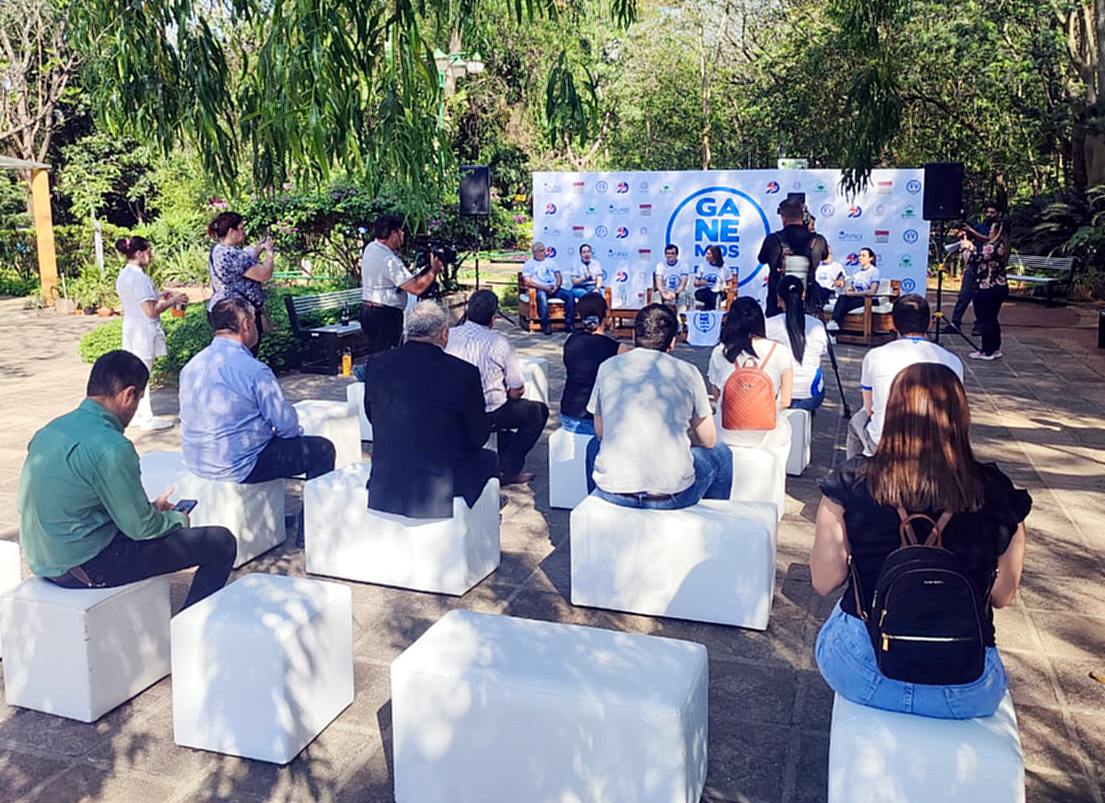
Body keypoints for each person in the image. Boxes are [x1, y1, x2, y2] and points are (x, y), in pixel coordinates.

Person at [811, 362, 1030, 719]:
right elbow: (1002, 596)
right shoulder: (996, 491)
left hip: (865, 673)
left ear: (893, 412)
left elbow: (824, 581)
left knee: (847, 611)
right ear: (960, 415)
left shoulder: (850, 482)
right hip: (965, 689)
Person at [17, 351, 236, 609]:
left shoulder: (50, 430)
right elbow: (140, 529)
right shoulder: (113, 447)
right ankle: (187, 629)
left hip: (41, 558)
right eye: (138, 400)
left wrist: (148, 512)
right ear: (128, 394)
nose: (135, 410)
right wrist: (175, 519)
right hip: (86, 566)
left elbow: (25, 503)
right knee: (220, 543)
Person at [585, 304, 732, 509]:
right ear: (672, 342)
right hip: (672, 493)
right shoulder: (689, 372)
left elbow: (601, 432)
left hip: (614, 492)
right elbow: (709, 440)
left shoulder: (608, 367)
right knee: (721, 454)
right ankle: (713, 523)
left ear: (635, 335)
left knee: (593, 445)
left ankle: (598, 512)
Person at [362, 302, 498, 518]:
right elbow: (477, 436)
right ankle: (483, 522)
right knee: (489, 459)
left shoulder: (377, 363)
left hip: (388, 474)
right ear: (444, 334)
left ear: (407, 331)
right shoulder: (463, 372)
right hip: (440, 480)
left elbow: (372, 414)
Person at [179, 297, 336, 484]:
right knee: (322, 450)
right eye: (255, 320)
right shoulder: (254, 370)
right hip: (239, 465)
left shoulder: (192, 365)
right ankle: (310, 514)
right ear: (246, 324)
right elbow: (287, 428)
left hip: (196, 461)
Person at [446, 290, 549, 485]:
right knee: (537, 412)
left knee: (508, 411)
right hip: (491, 411)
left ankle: (503, 458)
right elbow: (517, 388)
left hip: (454, 408)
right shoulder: (499, 343)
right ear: (493, 318)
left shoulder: (448, 335)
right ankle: (510, 467)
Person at [846, 294, 963, 458]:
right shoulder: (953, 360)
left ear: (893, 323)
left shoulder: (875, 356)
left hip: (885, 442)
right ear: (929, 323)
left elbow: (870, 408)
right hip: (938, 443)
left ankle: (854, 477)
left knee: (855, 423)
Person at [114, 236, 188, 431]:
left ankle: (138, 413)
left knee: (135, 373)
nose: (150, 256)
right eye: (148, 251)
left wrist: (159, 297)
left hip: (131, 326)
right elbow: (150, 311)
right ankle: (146, 416)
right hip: (143, 330)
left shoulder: (124, 275)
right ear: (139, 253)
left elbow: (141, 302)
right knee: (143, 374)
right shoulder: (141, 278)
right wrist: (173, 301)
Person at [707, 296, 794, 446]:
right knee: (786, 428)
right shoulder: (780, 351)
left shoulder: (720, 351)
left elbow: (717, 395)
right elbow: (785, 401)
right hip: (767, 434)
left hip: (725, 431)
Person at [359, 213, 443, 354]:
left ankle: (373, 375)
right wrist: (434, 270)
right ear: (394, 233)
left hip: (369, 311)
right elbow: (416, 288)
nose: (403, 235)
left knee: (376, 356)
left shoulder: (371, 248)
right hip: (385, 315)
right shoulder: (388, 260)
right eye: (401, 231)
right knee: (387, 357)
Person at [206, 211, 274, 355]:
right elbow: (264, 274)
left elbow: (243, 267)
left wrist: (257, 250)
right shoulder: (232, 254)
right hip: (238, 312)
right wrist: (269, 253)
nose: (244, 232)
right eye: (241, 228)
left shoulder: (219, 250)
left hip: (222, 307)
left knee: (230, 353)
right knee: (244, 353)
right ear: (232, 231)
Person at [560, 292, 627, 436]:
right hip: (597, 417)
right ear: (606, 314)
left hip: (568, 412)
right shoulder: (617, 348)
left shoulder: (571, 340)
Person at [766, 276, 828, 411]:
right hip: (811, 395)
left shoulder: (769, 325)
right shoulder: (817, 325)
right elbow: (820, 357)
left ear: (779, 299)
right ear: (803, 295)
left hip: (777, 394)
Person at [758, 198, 824, 315]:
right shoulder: (817, 240)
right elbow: (825, 255)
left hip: (777, 302)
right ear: (803, 216)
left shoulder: (773, 240)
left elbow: (762, 259)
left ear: (783, 217)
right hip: (807, 301)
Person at [966, 205, 1010, 360]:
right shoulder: (1001, 246)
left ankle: (987, 350)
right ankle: (995, 348)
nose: (988, 232)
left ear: (996, 232)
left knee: (985, 319)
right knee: (992, 318)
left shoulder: (992, 247)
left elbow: (972, 259)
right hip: (997, 287)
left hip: (987, 287)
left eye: (991, 230)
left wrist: (966, 247)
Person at [950, 203, 1001, 335]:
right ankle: (955, 322)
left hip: (987, 271)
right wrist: (963, 234)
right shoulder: (981, 226)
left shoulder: (999, 229)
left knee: (981, 299)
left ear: (998, 214)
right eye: (988, 212)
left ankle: (980, 325)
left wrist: (971, 234)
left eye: (992, 212)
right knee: (964, 295)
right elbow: (971, 238)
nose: (989, 215)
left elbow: (989, 240)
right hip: (974, 266)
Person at [522, 241, 575, 335]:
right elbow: (528, 281)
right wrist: (543, 287)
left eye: (544, 250)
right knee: (542, 298)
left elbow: (558, 275)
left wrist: (557, 285)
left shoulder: (551, 262)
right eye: (542, 251)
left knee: (570, 295)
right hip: (540, 288)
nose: (544, 252)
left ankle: (569, 324)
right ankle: (545, 325)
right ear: (535, 252)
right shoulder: (529, 264)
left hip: (554, 288)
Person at [828, 247, 880, 331]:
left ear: (871, 258)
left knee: (844, 305)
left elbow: (872, 291)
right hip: (857, 297)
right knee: (842, 298)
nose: (860, 258)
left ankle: (835, 324)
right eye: (859, 255)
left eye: (863, 256)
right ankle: (835, 324)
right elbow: (853, 286)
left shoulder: (874, 271)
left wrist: (854, 294)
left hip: (869, 299)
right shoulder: (856, 271)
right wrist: (848, 289)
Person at [693, 245, 732, 311]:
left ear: (715, 255)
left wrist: (725, 288)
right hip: (705, 291)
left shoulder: (725, 267)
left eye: (709, 254)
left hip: (719, 292)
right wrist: (701, 282)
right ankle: (712, 311)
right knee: (704, 294)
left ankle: (708, 311)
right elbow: (695, 283)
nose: (706, 255)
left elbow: (730, 284)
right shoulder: (702, 266)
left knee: (716, 296)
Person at [654, 244, 690, 311]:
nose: (670, 256)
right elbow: (659, 282)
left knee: (682, 295)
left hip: (678, 291)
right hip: (665, 290)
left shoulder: (683, 265)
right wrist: (664, 293)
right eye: (668, 253)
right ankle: (658, 316)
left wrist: (675, 293)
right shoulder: (660, 265)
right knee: (656, 294)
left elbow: (683, 283)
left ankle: (680, 318)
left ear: (676, 255)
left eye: (672, 253)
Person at [813, 245, 846, 310]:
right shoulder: (816, 266)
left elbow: (842, 280)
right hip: (817, 292)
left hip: (830, 294)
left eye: (830, 254)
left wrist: (840, 283)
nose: (829, 256)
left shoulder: (837, 267)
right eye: (826, 254)